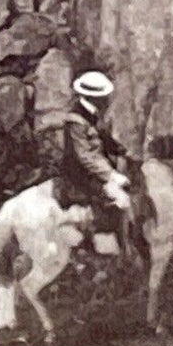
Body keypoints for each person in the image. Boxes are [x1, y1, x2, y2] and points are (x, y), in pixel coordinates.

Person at [56, 71, 132, 241]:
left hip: (96, 171)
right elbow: (85, 157)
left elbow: (105, 139)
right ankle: (122, 250)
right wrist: (111, 175)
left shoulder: (92, 114)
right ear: (93, 97)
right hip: (81, 176)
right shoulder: (75, 120)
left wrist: (125, 153)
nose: (107, 100)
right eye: (103, 96)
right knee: (123, 201)